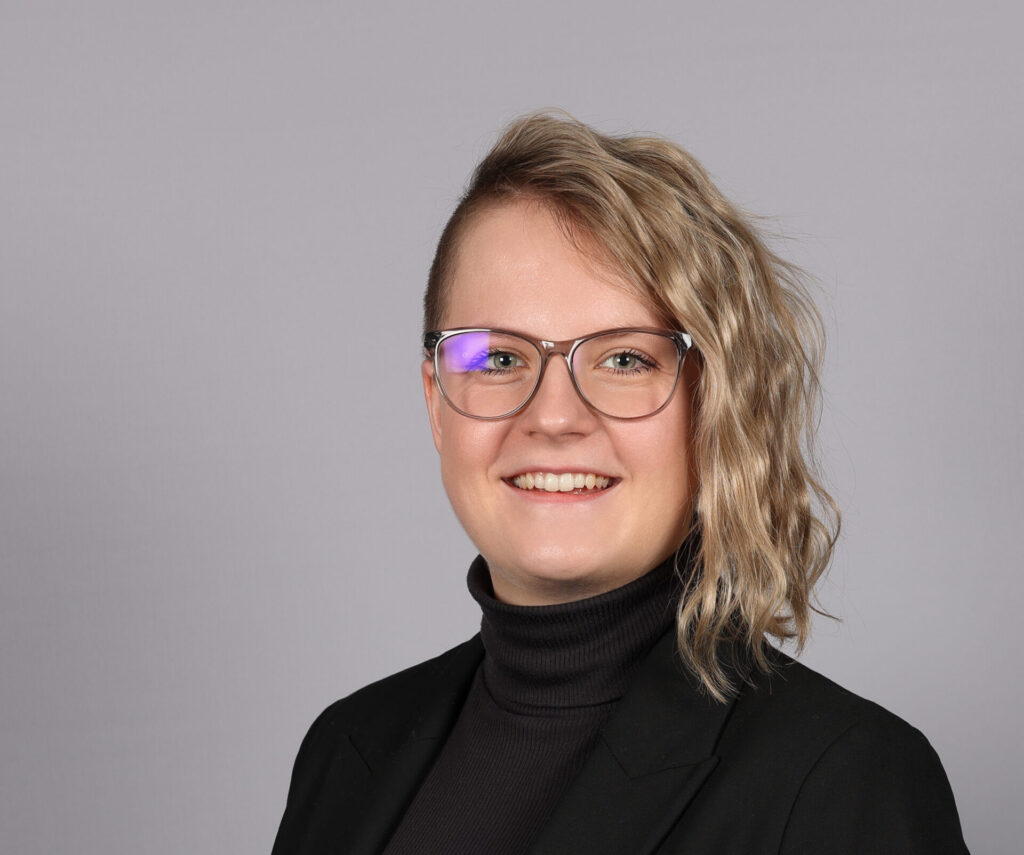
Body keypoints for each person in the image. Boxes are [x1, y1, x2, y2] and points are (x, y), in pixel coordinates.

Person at [272, 113, 970, 854]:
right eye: (498, 358)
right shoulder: (344, 751)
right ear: (435, 400)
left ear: (715, 405)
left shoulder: (845, 780)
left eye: (625, 359)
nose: (553, 417)